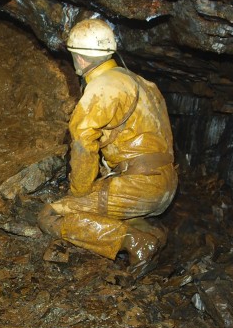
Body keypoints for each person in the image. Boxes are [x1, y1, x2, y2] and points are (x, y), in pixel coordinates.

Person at [38, 19, 178, 275]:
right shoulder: (144, 84)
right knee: (104, 205)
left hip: (138, 186)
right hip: (165, 184)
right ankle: (149, 229)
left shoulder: (102, 88)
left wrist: (79, 193)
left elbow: (82, 142)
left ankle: (135, 241)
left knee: (51, 215)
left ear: (79, 59)